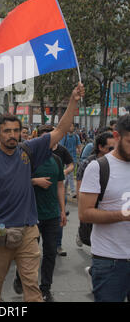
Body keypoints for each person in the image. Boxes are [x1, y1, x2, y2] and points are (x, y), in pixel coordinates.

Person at [0, 83, 85, 302]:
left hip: (28, 232)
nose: (12, 135)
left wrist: (73, 100)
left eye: (15, 131)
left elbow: (59, 131)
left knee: (32, 287)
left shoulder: (29, 150)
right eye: (6, 131)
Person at [78, 114, 130, 302]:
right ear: (116, 136)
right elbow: (85, 213)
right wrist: (124, 215)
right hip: (110, 261)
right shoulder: (99, 167)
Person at [13, 124, 67, 302]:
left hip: (51, 215)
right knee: (29, 254)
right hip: (31, 215)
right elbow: (15, 183)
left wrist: (62, 210)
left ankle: (45, 288)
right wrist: (34, 181)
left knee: (50, 252)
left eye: (51, 139)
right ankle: (20, 276)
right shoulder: (28, 160)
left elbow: (60, 185)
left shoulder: (57, 160)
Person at [76, 131, 115, 252]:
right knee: (91, 236)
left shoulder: (117, 162)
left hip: (108, 205)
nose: (114, 151)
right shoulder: (90, 163)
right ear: (101, 147)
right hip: (93, 204)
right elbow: (79, 185)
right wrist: (82, 206)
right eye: (111, 148)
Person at [60, 124, 81, 198]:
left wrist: (79, 151)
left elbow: (79, 146)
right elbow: (61, 147)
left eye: (72, 126)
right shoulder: (64, 137)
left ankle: (64, 190)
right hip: (66, 159)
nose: (72, 127)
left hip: (74, 158)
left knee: (68, 176)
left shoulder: (76, 136)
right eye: (70, 126)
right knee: (71, 175)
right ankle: (73, 191)